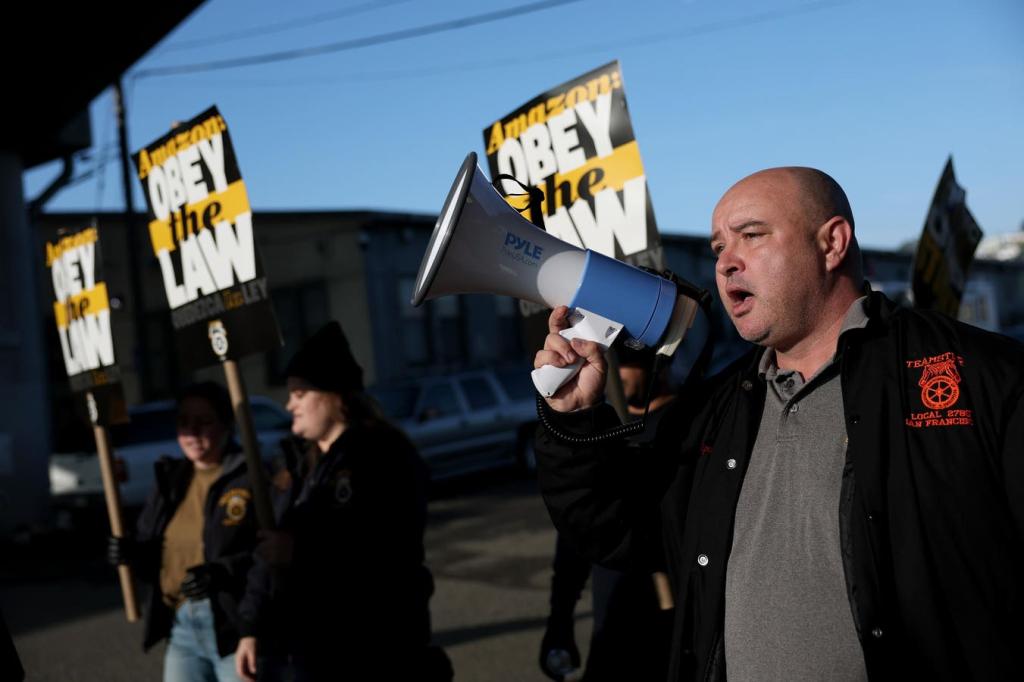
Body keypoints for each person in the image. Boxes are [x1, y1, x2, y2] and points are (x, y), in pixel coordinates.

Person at [534, 167, 1024, 681]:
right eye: (719, 246)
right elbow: (617, 529)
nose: (725, 263)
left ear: (832, 243)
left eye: (751, 235)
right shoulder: (714, 410)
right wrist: (575, 419)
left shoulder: (980, 379)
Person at [260, 320, 451, 681]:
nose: (289, 405)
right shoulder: (301, 464)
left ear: (334, 395)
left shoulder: (381, 455)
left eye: (300, 394)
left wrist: (297, 551)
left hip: (372, 649)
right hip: (311, 647)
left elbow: (385, 548)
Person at [108, 381, 271, 682]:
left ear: (226, 425)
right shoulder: (171, 479)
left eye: (203, 421)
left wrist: (221, 572)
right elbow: (154, 551)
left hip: (233, 628)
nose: (192, 432)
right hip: (181, 628)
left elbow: (269, 555)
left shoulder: (252, 478)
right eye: (184, 422)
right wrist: (133, 553)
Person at [540, 346, 676, 682]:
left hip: (668, 627)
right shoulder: (604, 431)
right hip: (612, 625)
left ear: (658, 367)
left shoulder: (683, 426)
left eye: (629, 364)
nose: (620, 372)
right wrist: (560, 619)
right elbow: (575, 537)